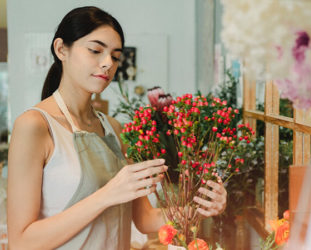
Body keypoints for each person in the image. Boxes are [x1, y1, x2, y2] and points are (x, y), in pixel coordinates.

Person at [7, 6, 227, 250]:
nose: (107, 64)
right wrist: (107, 195)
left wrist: (201, 208)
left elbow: (145, 220)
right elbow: (21, 242)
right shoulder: (35, 126)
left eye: (115, 56)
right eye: (95, 50)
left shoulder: (113, 129)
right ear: (61, 49)